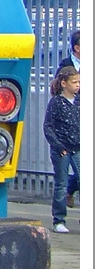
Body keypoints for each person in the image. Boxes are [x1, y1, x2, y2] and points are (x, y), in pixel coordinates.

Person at [42, 66, 80, 233]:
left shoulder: (80, 101)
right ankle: (59, 220)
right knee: (61, 184)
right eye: (74, 82)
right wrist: (58, 146)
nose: (78, 85)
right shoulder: (56, 102)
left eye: (79, 82)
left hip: (78, 147)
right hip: (62, 149)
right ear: (64, 83)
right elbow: (48, 127)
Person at [57, 29, 80, 206]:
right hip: (69, 127)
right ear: (77, 47)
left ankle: (70, 191)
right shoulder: (65, 65)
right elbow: (58, 88)